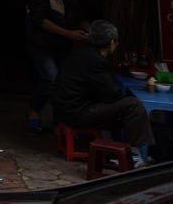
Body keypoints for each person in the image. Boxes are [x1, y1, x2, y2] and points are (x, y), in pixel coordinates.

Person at [53, 20, 154, 167]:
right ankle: (136, 154)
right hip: (76, 112)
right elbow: (111, 94)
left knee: (124, 108)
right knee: (133, 105)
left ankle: (116, 149)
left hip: (66, 108)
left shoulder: (80, 53)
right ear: (112, 42)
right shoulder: (95, 60)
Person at [25, 0, 88, 131]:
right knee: (50, 78)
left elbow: (79, 15)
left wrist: (90, 30)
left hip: (63, 44)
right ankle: (34, 109)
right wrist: (68, 33)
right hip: (41, 42)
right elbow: (40, 20)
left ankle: (58, 119)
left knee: (64, 80)